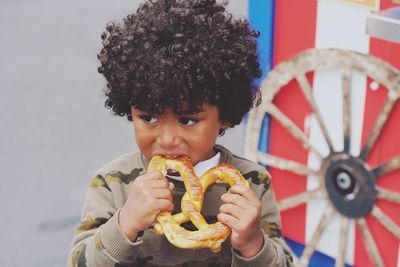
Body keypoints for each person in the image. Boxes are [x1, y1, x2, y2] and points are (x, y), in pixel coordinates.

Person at [68, 0, 293, 266]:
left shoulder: (252, 184)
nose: (167, 139)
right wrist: (124, 224)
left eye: (187, 120)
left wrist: (253, 244)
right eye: (149, 117)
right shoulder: (113, 183)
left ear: (226, 117)